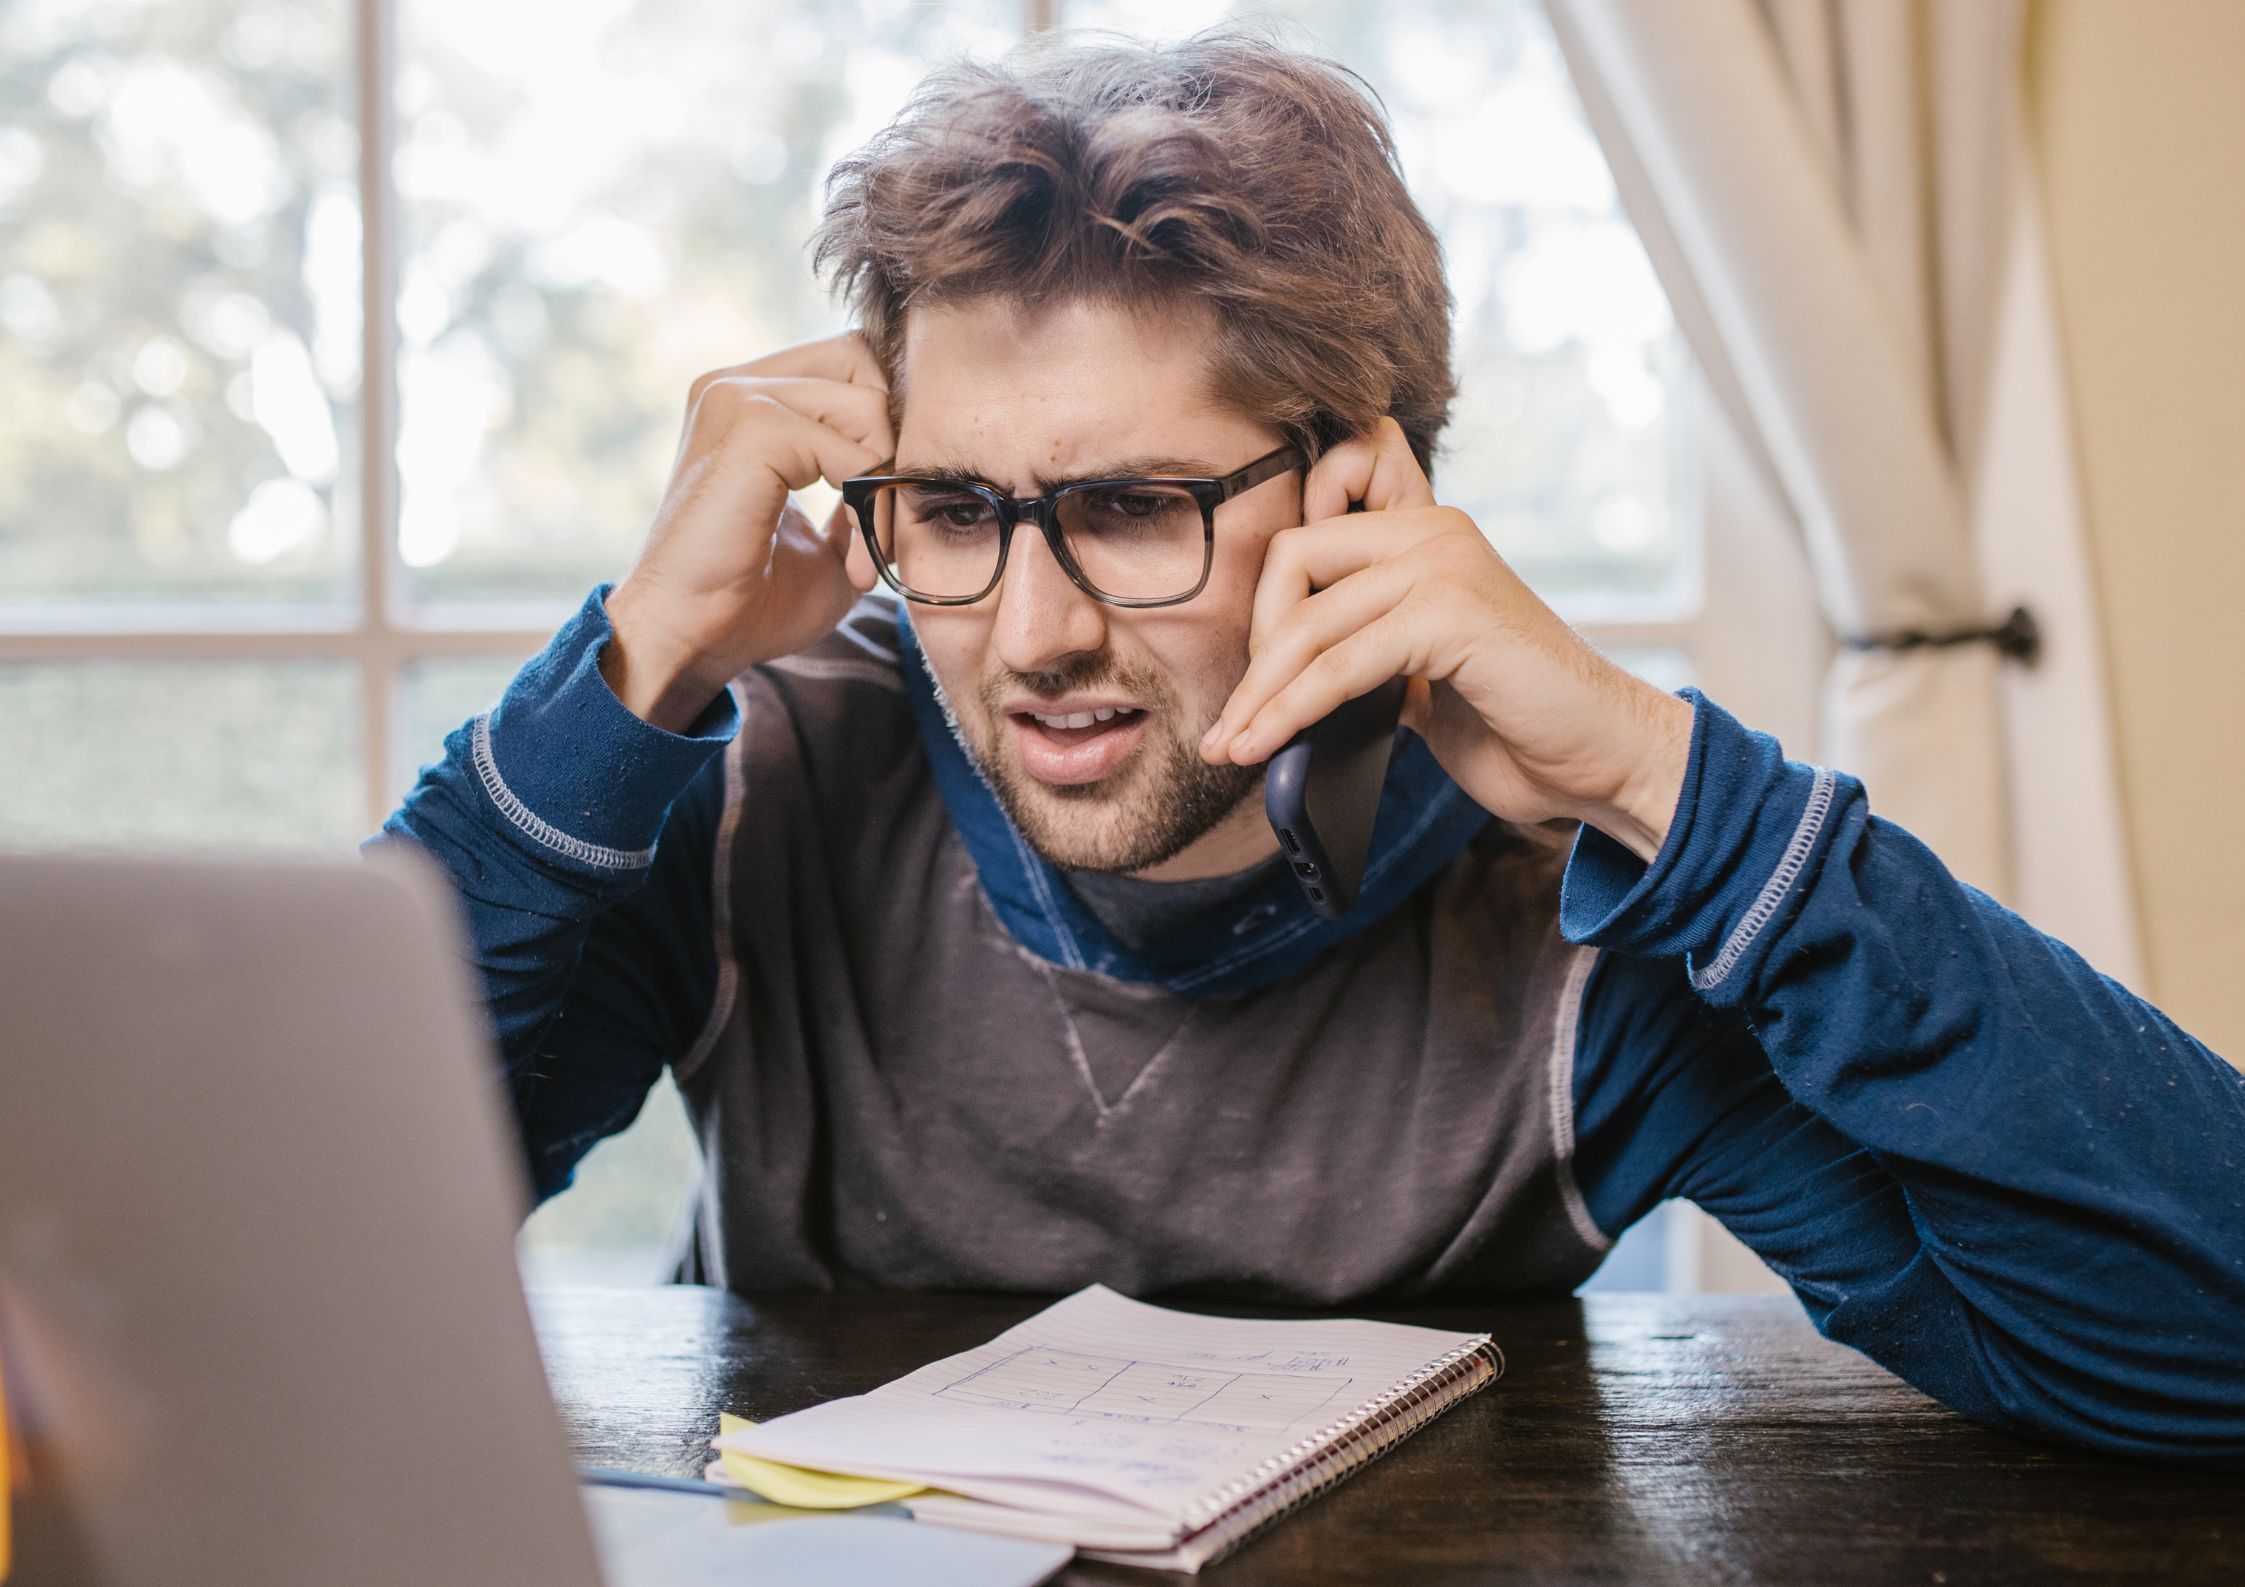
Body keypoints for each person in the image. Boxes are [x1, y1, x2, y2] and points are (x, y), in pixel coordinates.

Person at [376, 30, 2245, 1460]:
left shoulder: (1576, 923)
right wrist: (625, 683)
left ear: (1364, 491)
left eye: (1130, 506)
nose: (1029, 637)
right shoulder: (740, 788)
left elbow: (2192, 1352)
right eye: (949, 508)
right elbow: (284, 1258)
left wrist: (1670, 791)